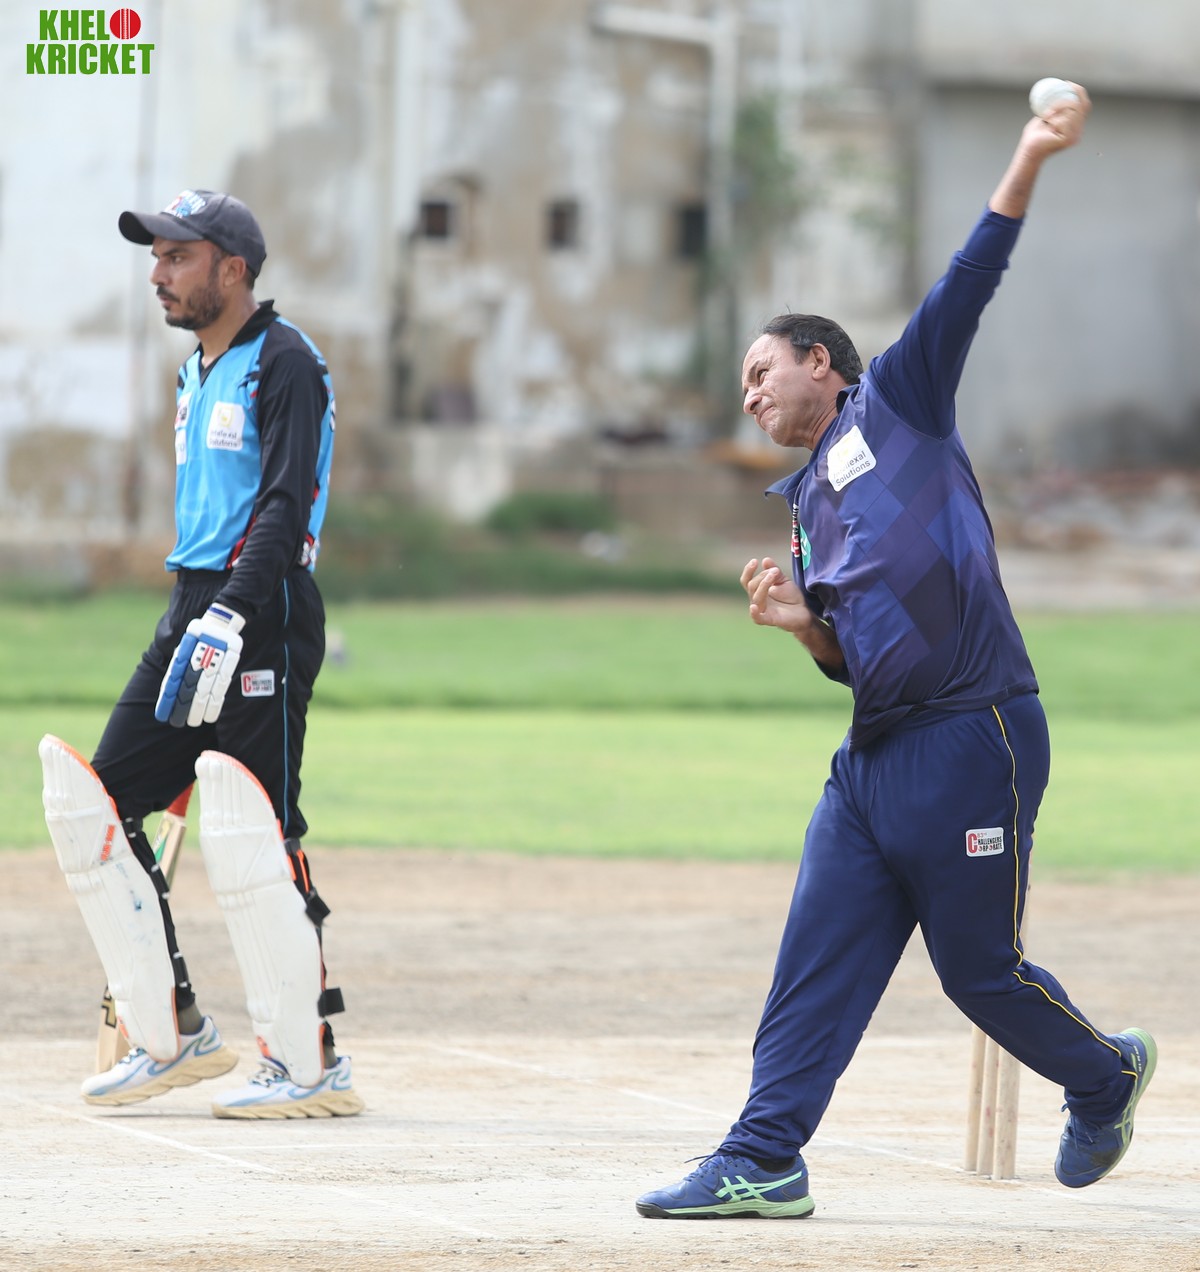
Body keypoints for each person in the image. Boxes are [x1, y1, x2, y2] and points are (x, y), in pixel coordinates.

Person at [636, 84, 1155, 1218]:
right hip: (873, 757)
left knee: (978, 975)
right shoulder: (804, 504)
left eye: (762, 373)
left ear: (822, 360)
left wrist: (1029, 153)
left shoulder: (899, 406)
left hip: (976, 734)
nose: (752, 396)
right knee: (813, 961)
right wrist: (804, 627)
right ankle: (764, 1155)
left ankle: (1106, 1077)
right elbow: (854, 659)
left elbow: (970, 277)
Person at [40, 189, 361, 1119]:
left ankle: (309, 1062)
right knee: (101, 804)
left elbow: (283, 507)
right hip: (193, 604)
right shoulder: (195, 370)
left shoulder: (285, 360)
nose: (158, 274)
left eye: (176, 256)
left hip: (261, 608)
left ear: (233, 267)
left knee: (257, 829)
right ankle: (172, 1030)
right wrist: (201, 613)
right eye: (155, 257)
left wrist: (231, 613)